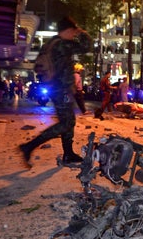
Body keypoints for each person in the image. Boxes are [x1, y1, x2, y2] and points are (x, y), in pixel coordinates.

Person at [19, 17, 92, 167]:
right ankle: (30, 146)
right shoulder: (63, 45)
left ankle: (68, 154)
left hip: (55, 87)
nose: (73, 35)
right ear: (69, 30)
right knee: (66, 123)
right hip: (62, 88)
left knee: (69, 121)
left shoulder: (51, 43)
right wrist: (82, 32)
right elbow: (86, 47)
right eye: (73, 32)